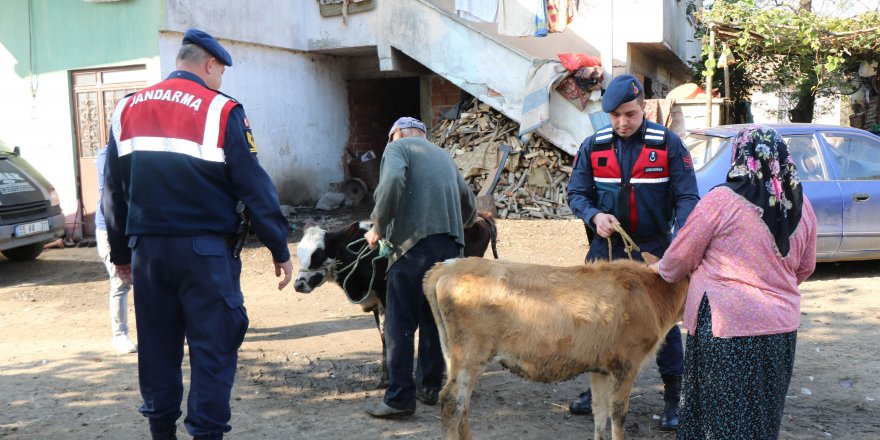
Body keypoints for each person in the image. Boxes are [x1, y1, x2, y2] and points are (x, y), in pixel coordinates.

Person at [102, 29, 294, 440]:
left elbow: (113, 191)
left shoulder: (126, 108)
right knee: (213, 351)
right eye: (220, 72)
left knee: (156, 350)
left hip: (147, 254)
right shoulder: (222, 110)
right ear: (209, 65)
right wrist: (279, 245)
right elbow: (253, 186)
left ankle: (161, 432)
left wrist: (121, 254)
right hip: (205, 254)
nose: (220, 80)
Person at [650, 124, 817, 439]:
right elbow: (805, 267)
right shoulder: (802, 206)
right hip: (780, 332)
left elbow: (677, 261)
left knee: (717, 420)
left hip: (726, 332)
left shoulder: (721, 201)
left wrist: (657, 269)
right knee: (763, 417)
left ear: (740, 157)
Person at [566, 74, 699, 430]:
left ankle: (674, 397)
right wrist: (594, 215)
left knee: (663, 325)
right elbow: (576, 194)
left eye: (629, 114)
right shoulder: (593, 146)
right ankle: (596, 391)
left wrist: (681, 237)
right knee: (597, 321)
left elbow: (688, 196)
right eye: (615, 116)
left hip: (652, 249)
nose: (622, 123)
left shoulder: (668, 144)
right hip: (605, 249)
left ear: (644, 108)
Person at [363, 117, 477, 418]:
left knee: (399, 323)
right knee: (434, 320)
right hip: (449, 250)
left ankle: (399, 399)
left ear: (396, 133)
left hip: (412, 248)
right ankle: (428, 387)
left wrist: (378, 225)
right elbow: (469, 205)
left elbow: (391, 183)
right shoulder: (443, 155)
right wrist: (461, 223)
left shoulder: (398, 148)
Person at [95, 145, 137, 354]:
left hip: (138, 227)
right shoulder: (107, 154)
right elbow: (109, 197)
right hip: (112, 230)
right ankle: (120, 335)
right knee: (121, 283)